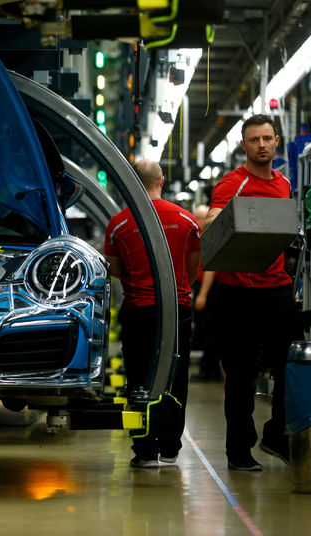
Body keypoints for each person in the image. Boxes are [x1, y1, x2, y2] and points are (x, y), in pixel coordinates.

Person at [203, 114, 303, 471]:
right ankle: (239, 451)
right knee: (241, 376)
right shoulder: (233, 183)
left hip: (277, 289)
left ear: (277, 141)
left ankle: (278, 434)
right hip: (237, 294)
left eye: (267, 138)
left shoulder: (284, 184)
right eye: (254, 140)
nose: (262, 145)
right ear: (243, 145)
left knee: (292, 366)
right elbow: (210, 222)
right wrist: (229, 217)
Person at [104, 160, 200, 468]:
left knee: (139, 376)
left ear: (132, 181)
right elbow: (194, 266)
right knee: (175, 376)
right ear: (161, 181)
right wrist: (179, 287)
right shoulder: (186, 220)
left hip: (138, 310)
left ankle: (144, 450)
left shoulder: (119, 222)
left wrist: (136, 280)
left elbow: (113, 267)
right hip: (177, 310)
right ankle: (171, 446)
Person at [190, 205, 222, 382]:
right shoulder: (201, 237)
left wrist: (202, 294)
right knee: (207, 331)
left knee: (209, 331)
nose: (197, 222)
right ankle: (210, 370)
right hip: (203, 288)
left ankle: (209, 371)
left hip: (210, 290)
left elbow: (211, 268)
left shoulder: (211, 237)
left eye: (199, 218)